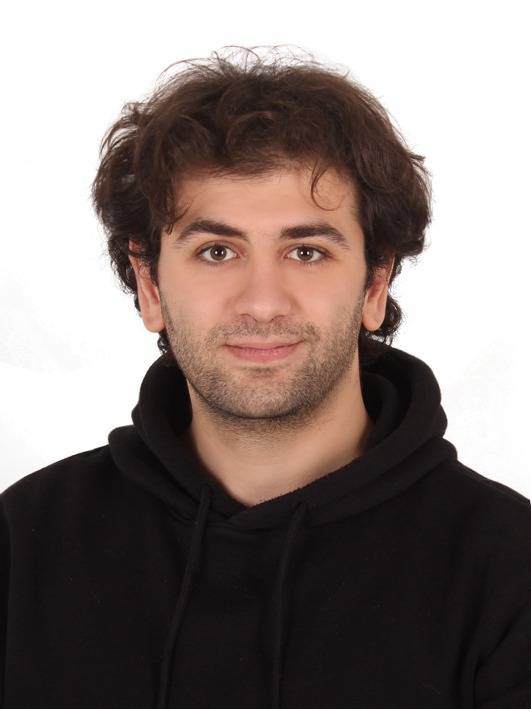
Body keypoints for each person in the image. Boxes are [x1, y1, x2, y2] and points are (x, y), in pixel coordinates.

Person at [1, 45, 529, 709]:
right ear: (149, 284)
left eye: (305, 251)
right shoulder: (26, 540)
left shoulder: (508, 568)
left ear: (375, 283)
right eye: (217, 251)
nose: (261, 302)